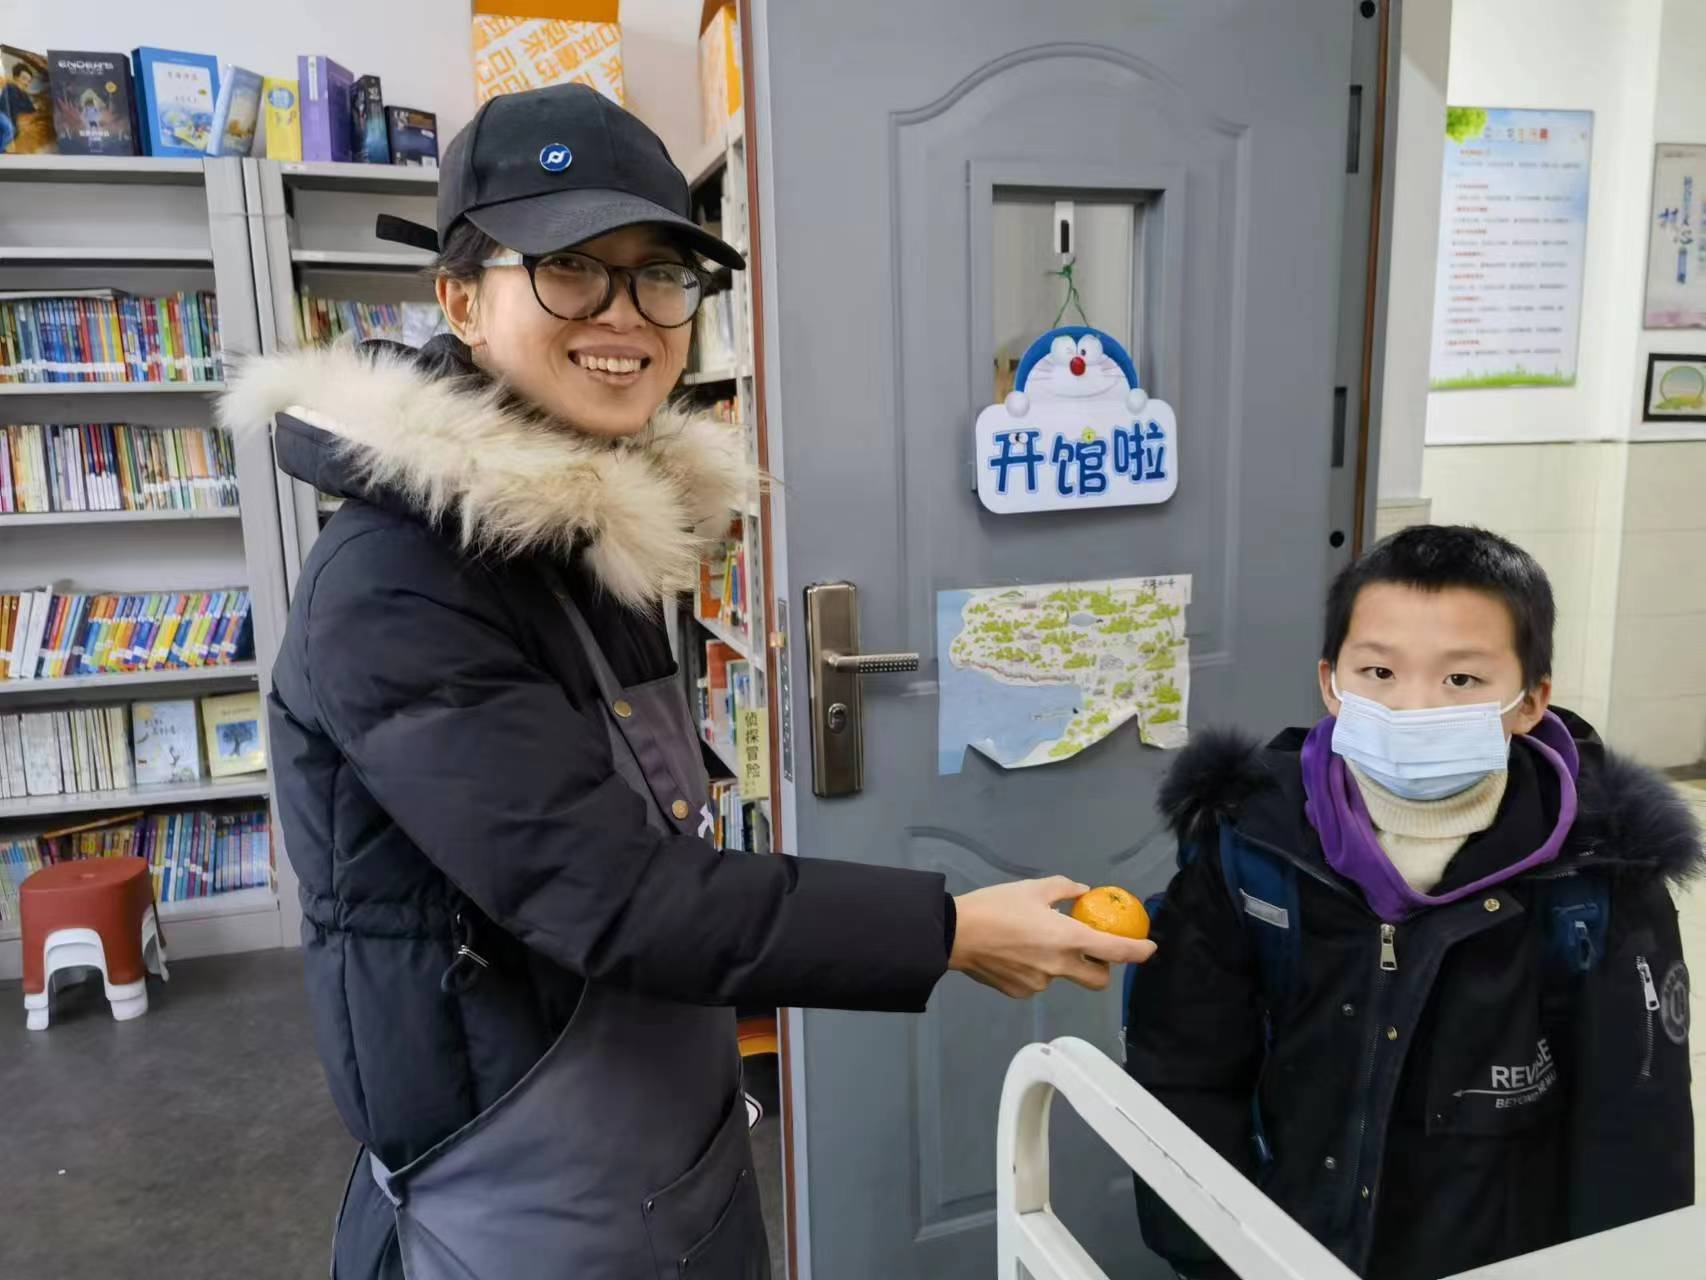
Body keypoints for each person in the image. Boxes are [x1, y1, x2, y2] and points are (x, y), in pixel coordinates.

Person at [221, 83, 1153, 1280]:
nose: (625, 315)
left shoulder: (587, 528)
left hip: (670, 1153)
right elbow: (611, 893)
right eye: (569, 267)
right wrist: (950, 929)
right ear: (458, 297)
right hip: (518, 1191)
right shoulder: (396, 584)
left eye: (658, 273)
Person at [1123, 525, 1698, 1280]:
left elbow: (1636, 1120)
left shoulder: (1599, 872)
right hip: (1287, 1247)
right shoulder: (1251, 841)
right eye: (1379, 672)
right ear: (1331, 683)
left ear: (1531, 700)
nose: (1414, 707)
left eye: (1461, 680)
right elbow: (1184, 1068)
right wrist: (1212, 1256)